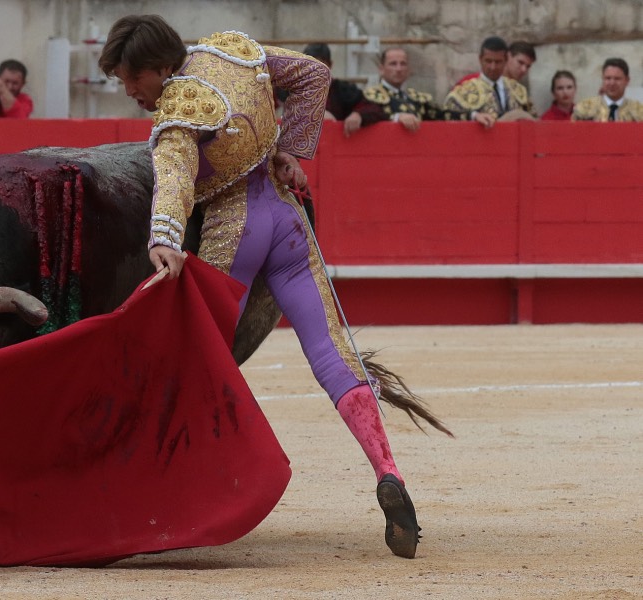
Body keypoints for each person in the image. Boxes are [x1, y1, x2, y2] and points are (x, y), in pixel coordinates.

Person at [99, 15, 421, 559]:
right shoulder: (231, 49)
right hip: (289, 221)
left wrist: (164, 238)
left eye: (133, 80)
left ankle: (175, 496)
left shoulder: (180, 108)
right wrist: (290, 149)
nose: (130, 92)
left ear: (159, 68)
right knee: (333, 354)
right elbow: (315, 74)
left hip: (235, 234)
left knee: (199, 365)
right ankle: (389, 471)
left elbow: (175, 175)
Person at [344, 47, 495, 137]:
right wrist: (397, 117)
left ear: (408, 69)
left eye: (403, 64)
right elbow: (368, 116)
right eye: (393, 64)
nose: (399, 69)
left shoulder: (415, 98)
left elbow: (443, 115)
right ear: (381, 69)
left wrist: (474, 115)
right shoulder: (369, 97)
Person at [444, 36, 535, 119]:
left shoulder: (518, 90)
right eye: (488, 61)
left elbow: (534, 122)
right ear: (480, 59)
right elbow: (447, 117)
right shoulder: (465, 91)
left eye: (498, 62)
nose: (493, 67)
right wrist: (473, 116)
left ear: (506, 60)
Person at [572, 58, 643, 122]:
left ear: (627, 80)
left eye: (617, 78)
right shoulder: (585, 108)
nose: (612, 83)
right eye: (608, 78)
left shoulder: (639, 111)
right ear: (602, 79)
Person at [453, 40, 536, 86]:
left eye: (528, 66)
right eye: (520, 62)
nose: (524, 70)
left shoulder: (519, 91)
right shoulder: (468, 83)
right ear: (508, 56)